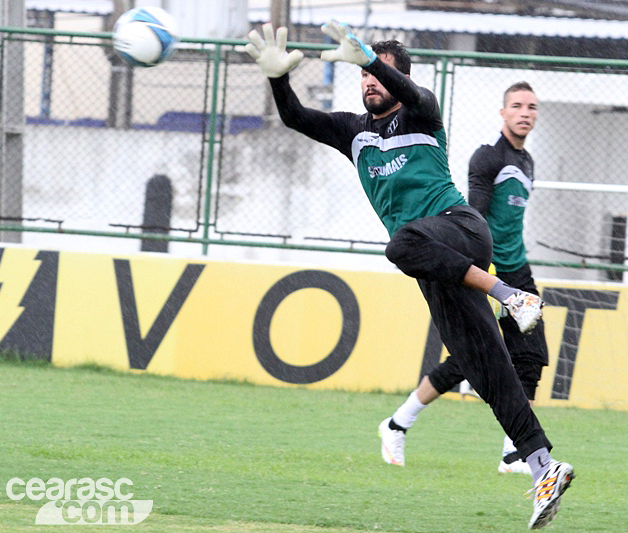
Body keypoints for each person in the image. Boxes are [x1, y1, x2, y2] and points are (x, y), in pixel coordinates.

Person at [245, 22, 572, 529]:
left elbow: (412, 91)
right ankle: (543, 467)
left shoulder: (422, 112)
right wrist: (277, 80)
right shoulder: (354, 133)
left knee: (398, 243)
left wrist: (370, 60)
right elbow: (294, 116)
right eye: (365, 76)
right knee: (483, 367)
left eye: (379, 75)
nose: (370, 82)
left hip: (460, 231)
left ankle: (511, 295)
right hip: (435, 266)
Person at [380, 83, 554, 474]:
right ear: (503, 113)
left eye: (531, 107)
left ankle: (513, 453)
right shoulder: (488, 158)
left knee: (530, 357)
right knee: (473, 358)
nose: (525, 112)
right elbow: (474, 217)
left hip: (518, 269)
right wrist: (483, 273)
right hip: (489, 270)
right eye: (517, 106)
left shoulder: (526, 162)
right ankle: (398, 423)